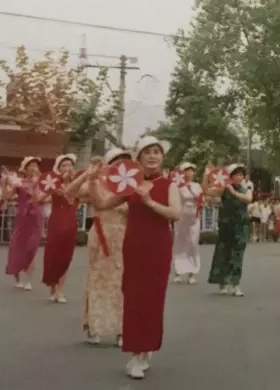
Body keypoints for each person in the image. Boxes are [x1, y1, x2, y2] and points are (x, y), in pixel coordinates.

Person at [88, 136, 181, 379]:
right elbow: (102, 204)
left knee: (153, 300)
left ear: (162, 157)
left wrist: (149, 202)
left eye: (156, 152)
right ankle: (137, 352)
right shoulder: (130, 184)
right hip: (134, 247)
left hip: (158, 247)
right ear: (138, 158)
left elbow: (175, 213)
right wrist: (92, 180)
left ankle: (144, 351)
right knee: (133, 298)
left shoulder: (169, 185)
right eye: (147, 152)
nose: (152, 156)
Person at [64, 148, 131, 346]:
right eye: (116, 161)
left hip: (125, 235)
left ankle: (121, 330)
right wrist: (87, 173)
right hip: (101, 235)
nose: (120, 165)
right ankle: (94, 325)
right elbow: (70, 192)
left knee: (123, 282)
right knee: (98, 279)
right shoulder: (98, 183)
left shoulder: (131, 186)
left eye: (125, 161)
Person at [204, 163, 253, 297]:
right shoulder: (223, 189)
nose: (238, 177)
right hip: (226, 225)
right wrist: (206, 175)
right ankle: (222, 282)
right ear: (230, 177)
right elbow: (207, 191)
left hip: (241, 226)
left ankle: (235, 284)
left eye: (241, 175)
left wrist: (234, 192)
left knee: (237, 255)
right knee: (223, 253)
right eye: (236, 175)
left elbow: (248, 199)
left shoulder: (246, 189)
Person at [1, 157, 44, 290]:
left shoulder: (43, 182)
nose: (33, 167)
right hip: (22, 218)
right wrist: (5, 183)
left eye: (36, 165)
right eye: (31, 165)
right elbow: (7, 196)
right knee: (16, 247)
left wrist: (37, 183)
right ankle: (18, 278)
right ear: (25, 169)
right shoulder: (19, 182)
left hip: (36, 218)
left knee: (31, 248)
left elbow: (44, 197)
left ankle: (28, 280)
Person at [41, 153, 79, 303]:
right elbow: (40, 197)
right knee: (54, 254)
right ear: (58, 168)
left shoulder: (77, 184)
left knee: (66, 256)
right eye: (64, 165)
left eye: (69, 165)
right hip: (56, 221)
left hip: (71, 222)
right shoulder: (54, 184)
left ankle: (60, 290)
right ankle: (52, 285)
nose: (67, 168)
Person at [172, 162, 202, 284]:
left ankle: (192, 273)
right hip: (181, 217)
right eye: (186, 171)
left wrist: (190, 188)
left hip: (194, 218)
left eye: (191, 171)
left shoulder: (197, 186)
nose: (189, 173)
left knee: (193, 244)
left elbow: (199, 199)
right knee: (180, 244)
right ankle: (178, 272)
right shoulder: (177, 185)